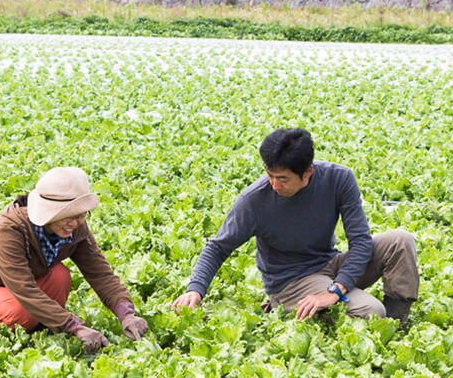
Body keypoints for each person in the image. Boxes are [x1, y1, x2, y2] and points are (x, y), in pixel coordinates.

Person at [171, 128, 419, 326]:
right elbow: (217, 248)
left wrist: (336, 289)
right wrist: (195, 290)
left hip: (329, 264)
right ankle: (285, 306)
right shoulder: (254, 200)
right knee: (372, 311)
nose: (274, 185)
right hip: (291, 282)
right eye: (270, 175)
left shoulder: (339, 179)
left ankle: (396, 323)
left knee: (401, 239)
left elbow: (361, 242)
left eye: (283, 179)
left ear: (307, 172)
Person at [0, 166, 148, 352]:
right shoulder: (8, 230)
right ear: (50, 213)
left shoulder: (76, 227)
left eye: (81, 214)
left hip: (3, 286)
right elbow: (23, 289)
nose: (75, 222)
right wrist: (74, 326)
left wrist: (126, 313)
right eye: (68, 215)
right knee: (19, 310)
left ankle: (35, 324)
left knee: (60, 276)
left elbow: (100, 273)